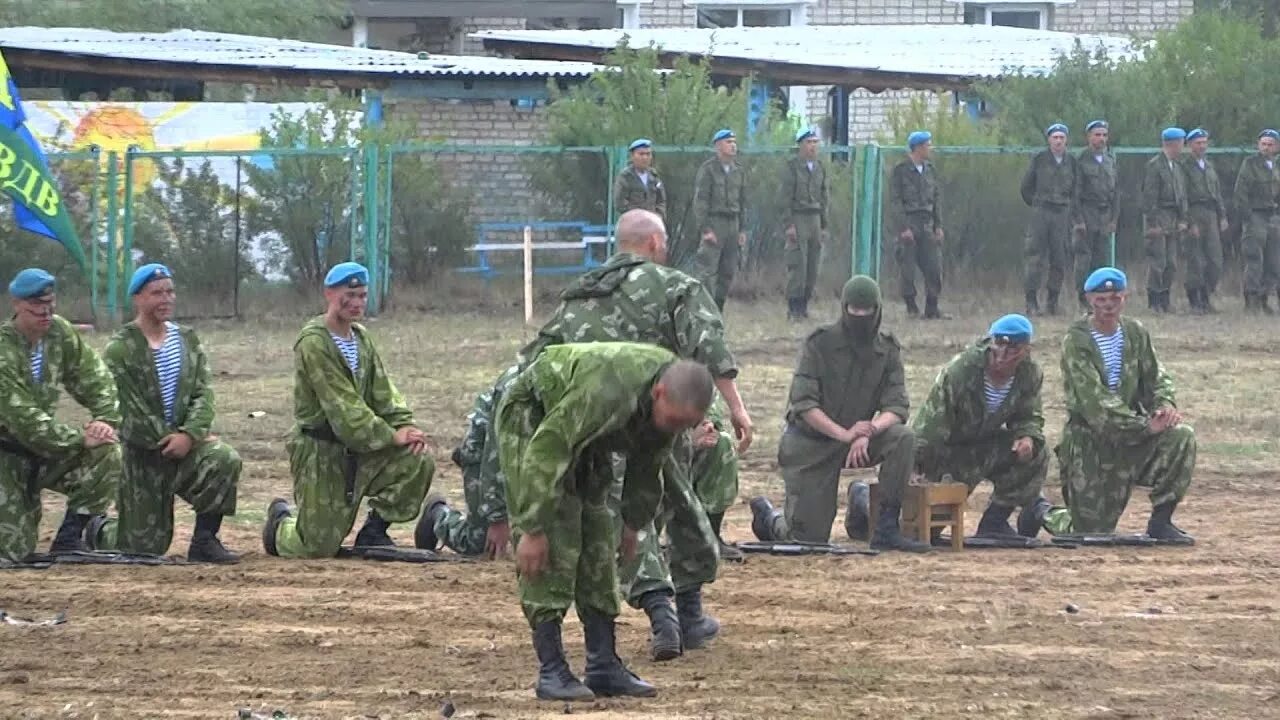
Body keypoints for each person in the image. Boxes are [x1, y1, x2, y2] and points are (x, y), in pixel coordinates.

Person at [519, 208, 754, 662]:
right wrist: (737, 408)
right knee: (674, 511)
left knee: (616, 524)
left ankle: (664, 612)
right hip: (658, 417)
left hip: (584, 428)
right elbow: (709, 348)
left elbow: (535, 363)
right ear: (654, 245)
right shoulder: (676, 286)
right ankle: (680, 613)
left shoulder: (581, 293)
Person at [498, 343, 714, 701]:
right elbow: (548, 448)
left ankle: (603, 665)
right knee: (557, 536)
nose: (676, 429)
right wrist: (533, 528)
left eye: (684, 425)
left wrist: (632, 524)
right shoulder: (609, 389)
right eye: (674, 421)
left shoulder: (669, 395)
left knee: (598, 533)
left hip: (588, 434)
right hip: (536, 422)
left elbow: (649, 463)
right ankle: (552, 670)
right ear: (658, 393)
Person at [262, 262, 434, 558]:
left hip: (362, 445)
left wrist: (407, 427)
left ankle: (374, 531)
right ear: (329, 294)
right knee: (316, 547)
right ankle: (279, 527)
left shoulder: (361, 338)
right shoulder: (315, 342)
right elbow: (344, 407)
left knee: (417, 459)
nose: (356, 303)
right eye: (349, 295)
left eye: (362, 296)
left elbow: (383, 392)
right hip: (323, 450)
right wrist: (391, 436)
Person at [749, 276, 929, 553]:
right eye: (853, 310)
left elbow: (897, 407)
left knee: (902, 438)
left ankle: (885, 527)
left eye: (866, 310)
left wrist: (867, 431)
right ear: (843, 308)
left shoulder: (887, 350)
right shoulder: (819, 345)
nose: (859, 316)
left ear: (877, 310)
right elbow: (804, 404)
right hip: (811, 444)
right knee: (809, 540)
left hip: (859, 439)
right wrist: (844, 434)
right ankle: (770, 520)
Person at [89, 264, 240, 563]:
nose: (165, 299)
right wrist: (166, 439)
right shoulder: (121, 349)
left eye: (170, 292)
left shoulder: (186, 339)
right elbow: (129, 409)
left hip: (186, 446)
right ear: (138, 298)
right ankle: (98, 529)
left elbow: (203, 391)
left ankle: (205, 541)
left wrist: (189, 435)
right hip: (144, 456)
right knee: (143, 548)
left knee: (224, 459)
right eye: (156, 293)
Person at [1057, 267, 1195, 542]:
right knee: (1089, 533)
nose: (1108, 306)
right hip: (1091, 443)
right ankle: (1043, 512)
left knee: (1181, 437)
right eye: (1101, 299)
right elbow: (1096, 404)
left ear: (1125, 298)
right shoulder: (1077, 340)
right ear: (1089, 300)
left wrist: (1164, 405)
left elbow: (1156, 377)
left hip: (1134, 437)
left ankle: (1161, 521)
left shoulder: (1134, 333)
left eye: (1114, 298)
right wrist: (1145, 426)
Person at [0, 268, 120, 562]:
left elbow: (96, 378)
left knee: (107, 452)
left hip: (43, 454)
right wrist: (81, 439)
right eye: (37, 307)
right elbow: (25, 421)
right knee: (13, 555)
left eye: (50, 305)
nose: (45, 313)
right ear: (16, 304)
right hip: (7, 455)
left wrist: (104, 420)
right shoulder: (3, 350)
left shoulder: (59, 333)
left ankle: (70, 537)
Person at [911, 314, 1047, 541]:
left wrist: (1027, 437)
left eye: (1012, 348)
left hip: (985, 448)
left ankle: (995, 521)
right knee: (920, 530)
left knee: (1037, 454)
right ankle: (863, 500)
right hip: (946, 453)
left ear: (1026, 349)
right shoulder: (962, 371)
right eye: (998, 344)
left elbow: (1029, 416)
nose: (1002, 355)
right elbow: (931, 424)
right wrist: (914, 465)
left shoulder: (1028, 375)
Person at [415, 365, 518, 558]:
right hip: (486, 447)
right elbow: (493, 455)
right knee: (479, 543)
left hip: (525, 451)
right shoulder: (516, 385)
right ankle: (437, 514)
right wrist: (497, 518)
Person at [1020, 123, 1078, 316]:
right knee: (1035, 258)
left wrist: (1070, 209)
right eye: (1055, 137)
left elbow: (1076, 189)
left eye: (1062, 138)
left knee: (1059, 259)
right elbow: (1026, 187)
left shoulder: (1072, 162)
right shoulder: (1040, 159)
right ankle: (1031, 302)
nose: (1059, 141)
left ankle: (1053, 301)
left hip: (1062, 214)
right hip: (1041, 213)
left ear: (1066, 140)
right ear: (1049, 140)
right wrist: (1037, 204)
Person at [889, 129, 946, 319]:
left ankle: (932, 306)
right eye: (927, 145)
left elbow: (936, 199)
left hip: (927, 222)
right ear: (918, 148)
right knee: (907, 268)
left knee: (934, 266)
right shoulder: (901, 171)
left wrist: (938, 225)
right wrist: (903, 227)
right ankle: (911, 306)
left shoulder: (930, 170)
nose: (930, 149)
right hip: (910, 222)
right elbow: (895, 201)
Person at [691, 128, 748, 311]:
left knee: (728, 271)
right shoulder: (708, 170)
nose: (733, 146)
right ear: (718, 146)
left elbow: (743, 201)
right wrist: (705, 229)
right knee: (706, 271)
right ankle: (703, 310)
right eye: (728, 142)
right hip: (715, 223)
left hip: (733, 223)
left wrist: (742, 230)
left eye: (734, 142)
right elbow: (701, 201)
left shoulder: (738, 171)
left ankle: (718, 309)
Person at [781, 127, 829, 320]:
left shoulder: (820, 168)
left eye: (815, 142)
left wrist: (824, 225)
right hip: (799, 217)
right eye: (809, 142)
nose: (812, 147)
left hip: (815, 218)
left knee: (813, 265)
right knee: (797, 264)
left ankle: (804, 305)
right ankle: (794, 307)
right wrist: (789, 223)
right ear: (800, 145)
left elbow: (825, 197)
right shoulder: (792, 167)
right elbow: (785, 197)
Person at [1180, 128, 1229, 314]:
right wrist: (1189, 221)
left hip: (1211, 214)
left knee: (1215, 260)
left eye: (1204, 142)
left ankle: (1207, 295)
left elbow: (1216, 193)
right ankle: (1195, 300)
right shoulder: (1185, 166)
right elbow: (1182, 196)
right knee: (1196, 260)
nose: (1201, 146)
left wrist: (1222, 216)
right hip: (1195, 212)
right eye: (1198, 142)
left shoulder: (1209, 166)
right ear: (1190, 145)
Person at [1141, 127, 1189, 313]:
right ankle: (1154, 301)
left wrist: (1183, 218)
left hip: (1173, 218)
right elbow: (1149, 197)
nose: (1182, 147)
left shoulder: (1176, 167)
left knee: (1171, 263)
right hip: (1159, 217)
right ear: (1172, 143)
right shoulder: (1155, 166)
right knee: (1157, 261)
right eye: (1181, 143)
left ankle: (1165, 299)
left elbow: (1182, 195)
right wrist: (1152, 224)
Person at [1073, 120, 1119, 310]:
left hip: (1105, 214)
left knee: (1103, 259)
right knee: (1084, 259)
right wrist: (1078, 220)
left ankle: (1101, 297)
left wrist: (1114, 219)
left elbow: (1116, 192)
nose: (1101, 139)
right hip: (1087, 212)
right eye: (1097, 135)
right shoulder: (1081, 160)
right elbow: (1075, 193)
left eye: (1104, 135)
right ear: (1089, 137)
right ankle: (1083, 297)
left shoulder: (1110, 160)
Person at [1233, 128, 1280, 314]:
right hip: (1255, 216)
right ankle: (1251, 300)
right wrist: (1247, 217)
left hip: (1273, 216)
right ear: (1258, 145)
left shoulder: (1276, 166)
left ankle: (1264, 298)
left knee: (1273, 261)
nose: (1266, 148)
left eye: (1270, 144)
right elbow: (1240, 192)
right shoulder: (1250, 164)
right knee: (1254, 259)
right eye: (1263, 144)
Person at [613, 138, 666, 224]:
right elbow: (620, 203)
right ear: (632, 156)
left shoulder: (654, 176)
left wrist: (658, 216)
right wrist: (639, 216)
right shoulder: (625, 177)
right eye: (641, 154)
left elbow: (661, 201)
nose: (645, 157)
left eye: (648, 154)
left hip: (652, 224)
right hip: (632, 225)